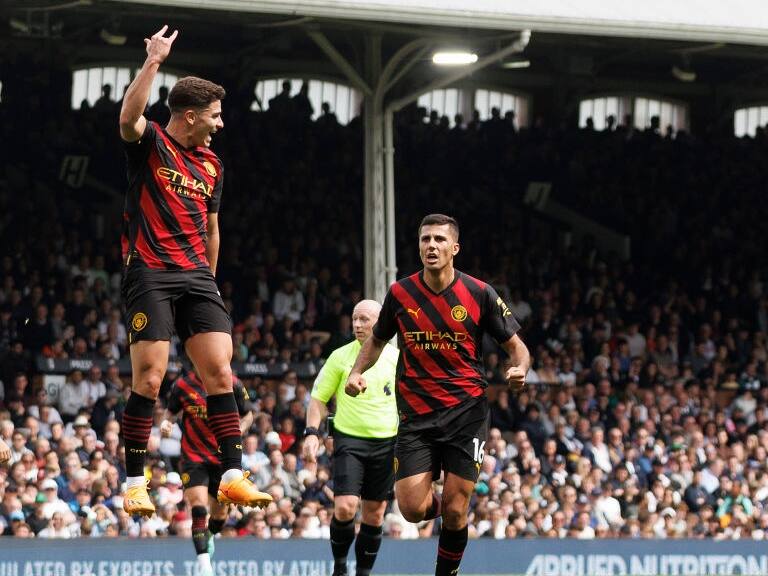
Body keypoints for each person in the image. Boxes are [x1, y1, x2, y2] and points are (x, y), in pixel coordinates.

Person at [117, 25, 271, 516]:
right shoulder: (153, 144)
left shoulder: (212, 165)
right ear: (189, 116)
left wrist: (210, 282)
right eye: (215, 115)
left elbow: (212, 228)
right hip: (151, 272)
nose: (220, 124)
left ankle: (231, 475)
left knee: (221, 371)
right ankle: (134, 482)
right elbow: (128, 117)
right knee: (149, 379)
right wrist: (154, 62)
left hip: (197, 276)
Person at [345, 214, 530, 576]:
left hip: (466, 413)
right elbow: (378, 339)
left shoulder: (478, 293)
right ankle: (452, 503)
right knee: (412, 510)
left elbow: (517, 346)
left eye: (439, 240)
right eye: (425, 239)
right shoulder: (400, 293)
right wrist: (355, 372)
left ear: (454, 248)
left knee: (457, 509)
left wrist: (519, 368)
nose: (431, 246)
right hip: (416, 415)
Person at [303, 300, 398, 576]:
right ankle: (340, 567)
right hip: (349, 441)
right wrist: (312, 433)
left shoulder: (397, 358)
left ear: (381, 322)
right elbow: (318, 399)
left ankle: (363, 573)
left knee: (374, 514)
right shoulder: (340, 356)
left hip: (386, 443)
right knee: (345, 508)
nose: (357, 325)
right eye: (355, 319)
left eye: (364, 320)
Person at [161, 369, 253, 576]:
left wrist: (238, 430)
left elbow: (248, 414)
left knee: (220, 516)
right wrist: (166, 423)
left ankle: (209, 534)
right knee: (198, 507)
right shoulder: (182, 386)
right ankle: (204, 567)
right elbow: (171, 413)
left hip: (223, 458)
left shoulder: (232, 383)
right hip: (193, 457)